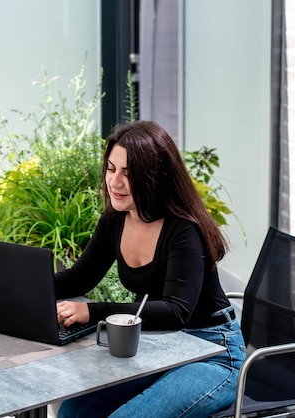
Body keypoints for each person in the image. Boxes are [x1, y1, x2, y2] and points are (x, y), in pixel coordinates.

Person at [54, 120, 246, 418]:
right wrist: (18, 287)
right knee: (72, 412)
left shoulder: (184, 230)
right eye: (111, 168)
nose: (115, 182)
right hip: (163, 348)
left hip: (213, 352)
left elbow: (175, 312)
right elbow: (80, 277)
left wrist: (93, 312)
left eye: (128, 174)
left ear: (154, 177)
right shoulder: (115, 220)